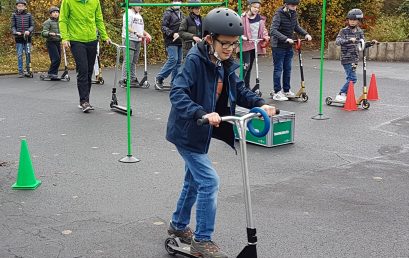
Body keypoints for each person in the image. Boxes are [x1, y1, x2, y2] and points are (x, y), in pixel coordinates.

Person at [166, 7, 277, 258]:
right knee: (209, 181)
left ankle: (178, 226)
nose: (230, 49)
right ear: (209, 39)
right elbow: (177, 92)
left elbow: (240, 90)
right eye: (225, 44)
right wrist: (200, 113)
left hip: (203, 131)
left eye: (234, 44)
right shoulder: (195, 60)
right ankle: (202, 241)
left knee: (193, 181)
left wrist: (260, 105)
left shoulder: (224, 62)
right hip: (188, 130)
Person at [59, 0, 111, 113]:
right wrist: (65, 38)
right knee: (82, 69)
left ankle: (85, 100)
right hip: (76, 40)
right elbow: (63, 20)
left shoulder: (94, 1)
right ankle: (84, 101)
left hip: (92, 39)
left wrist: (104, 36)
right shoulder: (68, 1)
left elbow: (98, 19)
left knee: (88, 71)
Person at [269, 0, 312, 101]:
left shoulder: (294, 14)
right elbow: (273, 30)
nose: (294, 7)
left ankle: (286, 90)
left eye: (296, 5)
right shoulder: (278, 14)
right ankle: (277, 92)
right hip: (278, 45)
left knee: (288, 68)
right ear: (286, 5)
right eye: (292, 5)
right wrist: (285, 38)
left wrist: (306, 34)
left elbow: (296, 26)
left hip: (289, 45)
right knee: (278, 69)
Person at [334, 9, 377, 102]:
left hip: (355, 59)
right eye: (351, 20)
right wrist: (349, 40)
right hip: (346, 58)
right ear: (348, 20)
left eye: (355, 20)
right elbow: (337, 42)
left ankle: (345, 94)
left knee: (350, 78)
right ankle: (341, 93)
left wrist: (371, 43)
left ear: (358, 21)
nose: (352, 22)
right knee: (353, 78)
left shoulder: (360, 32)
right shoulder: (343, 31)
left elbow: (362, 44)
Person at [119, 0, 152, 87]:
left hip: (138, 40)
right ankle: (123, 79)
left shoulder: (139, 15)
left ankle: (133, 78)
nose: (140, 7)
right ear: (133, 5)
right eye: (138, 5)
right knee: (128, 60)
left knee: (134, 61)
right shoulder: (128, 13)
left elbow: (140, 28)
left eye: (141, 6)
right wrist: (135, 33)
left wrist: (146, 34)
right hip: (129, 39)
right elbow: (127, 26)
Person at [154, 0, 184, 90]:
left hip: (179, 40)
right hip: (171, 40)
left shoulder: (182, 14)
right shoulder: (168, 12)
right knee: (173, 59)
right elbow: (163, 26)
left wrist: (181, 34)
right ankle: (159, 77)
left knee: (178, 61)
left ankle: (174, 82)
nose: (177, 2)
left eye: (179, 1)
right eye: (175, 0)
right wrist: (172, 33)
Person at [240, 0, 269, 89]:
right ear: (250, 6)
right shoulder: (243, 17)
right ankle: (239, 86)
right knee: (246, 66)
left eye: (258, 7)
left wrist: (266, 37)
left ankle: (247, 87)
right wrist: (241, 36)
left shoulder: (260, 18)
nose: (256, 9)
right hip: (245, 45)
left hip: (255, 45)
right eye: (254, 7)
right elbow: (238, 28)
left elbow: (263, 30)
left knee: (250, 67)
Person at [11, 0, 34, 77]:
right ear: (16, 6)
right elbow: (13, 26)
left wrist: (28, 31)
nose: (20, 7)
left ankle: (28, 70)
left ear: (25, 7)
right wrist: (15, 32)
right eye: (19, 6)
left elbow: (32, 26)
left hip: (27, 38)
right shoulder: (14, 15)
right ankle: (20, 71)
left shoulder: (29, 15)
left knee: (28, 54)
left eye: (22, 6)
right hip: (19, 38)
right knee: (20, 55)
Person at [41, 6, 61, 80]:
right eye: (54, 12)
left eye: (57, 12)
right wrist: (49, 33)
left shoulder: (60, 22)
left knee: (59, 59)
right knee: (56, 58)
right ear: (50, 14)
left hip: (58, 42)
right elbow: (43, 32)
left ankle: (54, 74)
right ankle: (51, 73)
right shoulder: (47, 22)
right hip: (51, 42)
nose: (56, 14)